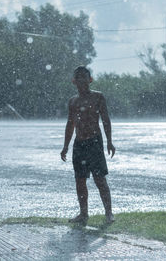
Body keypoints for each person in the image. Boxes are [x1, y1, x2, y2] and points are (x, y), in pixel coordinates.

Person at [61, 66, 115, 225]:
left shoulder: (98, 97)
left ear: (90, 80)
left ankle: (109, 213)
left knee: (100, 179)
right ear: (74, 81)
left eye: (84, 77)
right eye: (78, 78)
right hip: (79, 144)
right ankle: (83, 214)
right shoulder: (73, 101)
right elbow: (70, 124)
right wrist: (65, 146)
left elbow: (105, 119)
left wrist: (109, 141)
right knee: (80, 180)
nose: (82, 81)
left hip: (94, 142)